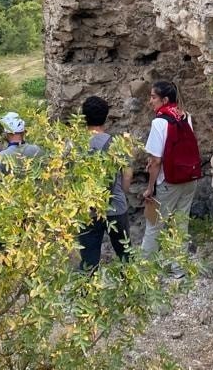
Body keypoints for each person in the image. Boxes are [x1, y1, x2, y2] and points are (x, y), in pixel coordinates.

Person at [140, 80, 202, 260]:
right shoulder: (185, 116)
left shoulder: (159, 122)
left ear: (165, 99)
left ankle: (144, 271)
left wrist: (150, 187)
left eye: (153, 97)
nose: (150, 101)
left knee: (154, 225)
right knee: (181, 224)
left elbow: (156, 161)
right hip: (189, 178)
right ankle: (178, 268)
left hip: (168, 182)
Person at [77, 95, 132, 271]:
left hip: (87, 209)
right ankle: (130, 290)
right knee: (125, 254)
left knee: (89, 259)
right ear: (106, 116)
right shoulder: (116, 144)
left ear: (83, 117)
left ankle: (87, 293)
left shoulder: (75, 145)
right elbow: (127, 174)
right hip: (115, 206)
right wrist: (121, 192)